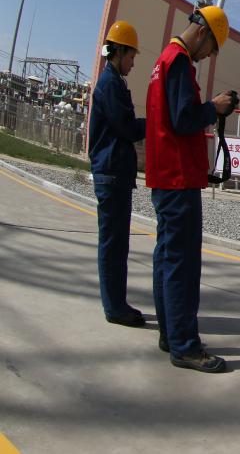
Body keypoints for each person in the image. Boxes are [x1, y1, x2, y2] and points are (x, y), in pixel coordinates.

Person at [145, 5, 235, 373]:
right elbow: (184, 119)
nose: (210, 55)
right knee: (182, 264)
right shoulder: (180, 61)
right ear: (203, 32)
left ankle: (170, 333)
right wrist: (213, 107)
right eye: (213, 47)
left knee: (167, 257)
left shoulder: (163, 61)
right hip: (179, 179)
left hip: (164, 176)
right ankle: (185, 346)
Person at [88, 20, 147, 327]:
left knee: (117, 243)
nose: (133, 63)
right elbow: (126, 127)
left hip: (115, 173)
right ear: (120, 51)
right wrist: (156, 122)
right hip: (111, 173)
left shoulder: (115, 81)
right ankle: (114, 308)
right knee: (113, 244)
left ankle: (117, 303)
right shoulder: (110, 84)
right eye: (132, 56)